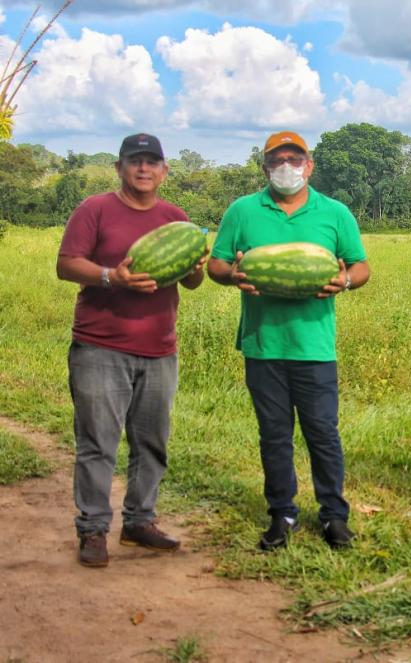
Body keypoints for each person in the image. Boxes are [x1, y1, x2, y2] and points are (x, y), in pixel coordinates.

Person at [208, 131, 370, 552]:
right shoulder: (243, 211)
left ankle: (334, 516)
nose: (286, 167)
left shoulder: (334, 213)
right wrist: (232, 276)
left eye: (294, 159)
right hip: (263, 344)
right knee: (274, 435)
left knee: (323, 433)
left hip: (315, 346)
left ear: (309, 165)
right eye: (277, 160)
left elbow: (361, 266)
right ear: (265, 167)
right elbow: (216, 264)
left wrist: (345, 281)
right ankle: (282, 513)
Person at [56, 133, 207, 567]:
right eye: (134, 161)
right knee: (97, 442)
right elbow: (66, 264)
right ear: (120, 168)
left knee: (152, 442)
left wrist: (195, 268)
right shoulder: (95, 209)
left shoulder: (175, 218)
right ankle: (93, 529)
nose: (143, 169)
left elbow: (190, 282)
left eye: (151, 162)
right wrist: (112, 277)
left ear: (164, 170)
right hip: (100, 346)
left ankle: (140, 521)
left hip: (159, 349)